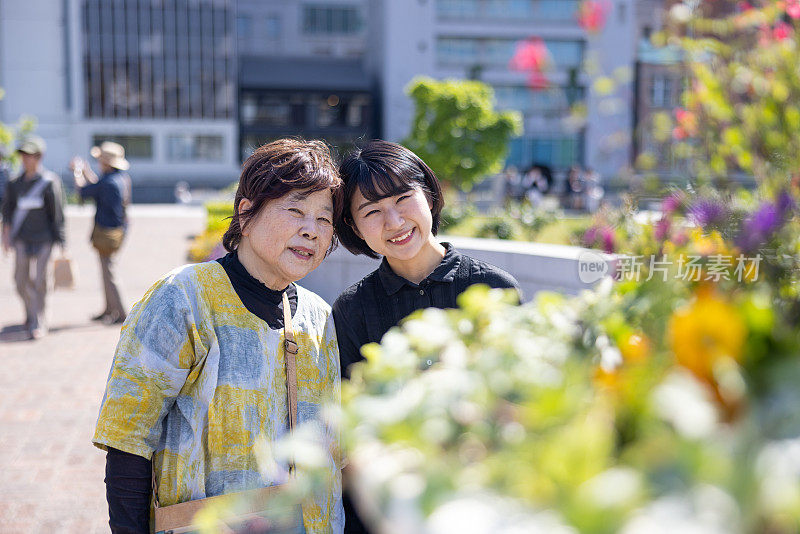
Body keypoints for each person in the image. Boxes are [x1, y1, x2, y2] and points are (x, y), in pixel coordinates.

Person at [92, 139, 344, 533]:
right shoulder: (183, 297)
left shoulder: (320, 317)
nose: (311, 230)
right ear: (246, 214)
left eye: (324, 219)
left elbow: (333, 447)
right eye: (295, 210)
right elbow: (128, 440)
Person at [331, 140, 521, 534]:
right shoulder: (351, 311)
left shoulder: (492, 289)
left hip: (483, 501)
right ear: (353, 226)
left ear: (430, 196)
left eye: (403, 199)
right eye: (372, 211)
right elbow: (353, 431)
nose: (395, 222)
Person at [0, 136, 65, 339]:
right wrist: (6, 236)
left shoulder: (49, 182)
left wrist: (62, 240)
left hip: (44, 239)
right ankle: (30, 311)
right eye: (23, 156)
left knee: (41, 281)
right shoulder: (14, 184)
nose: (25, 159)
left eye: (29, 156)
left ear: (39, 157)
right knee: (20, 280)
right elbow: (8, 211)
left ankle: (39, 320)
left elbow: (57, 213)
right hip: (22, 238)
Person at [70, 141, 131, 324]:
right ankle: (109, 309)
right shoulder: (120, 179)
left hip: (107, 233)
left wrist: (77, 172)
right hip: (118, 231)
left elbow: (82, 192)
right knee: (106, 271)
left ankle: (120, 312)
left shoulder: (108, 183)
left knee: (109, 273)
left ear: (106, 162)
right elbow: (98, 186)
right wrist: (87, 172)